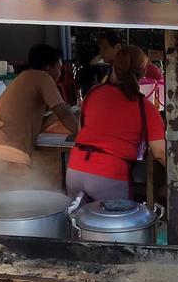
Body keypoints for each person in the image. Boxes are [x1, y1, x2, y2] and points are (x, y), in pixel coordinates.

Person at [66, 45, 166, 202]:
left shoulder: (93, 93)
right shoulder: (144, 106)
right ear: (144, 73)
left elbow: (81, 130)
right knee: (116, 225)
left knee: (80, 224)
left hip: (75, 169)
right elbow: (160, 152)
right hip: (108, 176)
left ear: (113, 68)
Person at [0, 44, 78, 195]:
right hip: (10, 156)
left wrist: (59, 113)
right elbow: (63, 113)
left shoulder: (24, 78)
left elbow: (40, 123)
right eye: (59, 68)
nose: (60, 73)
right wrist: (82, 134)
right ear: (50, 67)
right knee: (23, 210)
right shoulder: (42, 77)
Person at [90, 30, 163, 83]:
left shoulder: (149, 69)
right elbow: (92, 63)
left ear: (117, 47)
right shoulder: (110, 71)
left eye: (104, 48)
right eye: (100, 48)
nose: (101, 52)